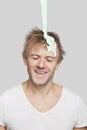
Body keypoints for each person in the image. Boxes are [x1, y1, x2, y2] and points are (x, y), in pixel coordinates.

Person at [0, 28, 87, 130]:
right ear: (25, 59)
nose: (41, 65)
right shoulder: (5, 102)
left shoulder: (75, 104)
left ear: (58, 63)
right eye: (35, 57)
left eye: (49, 59)